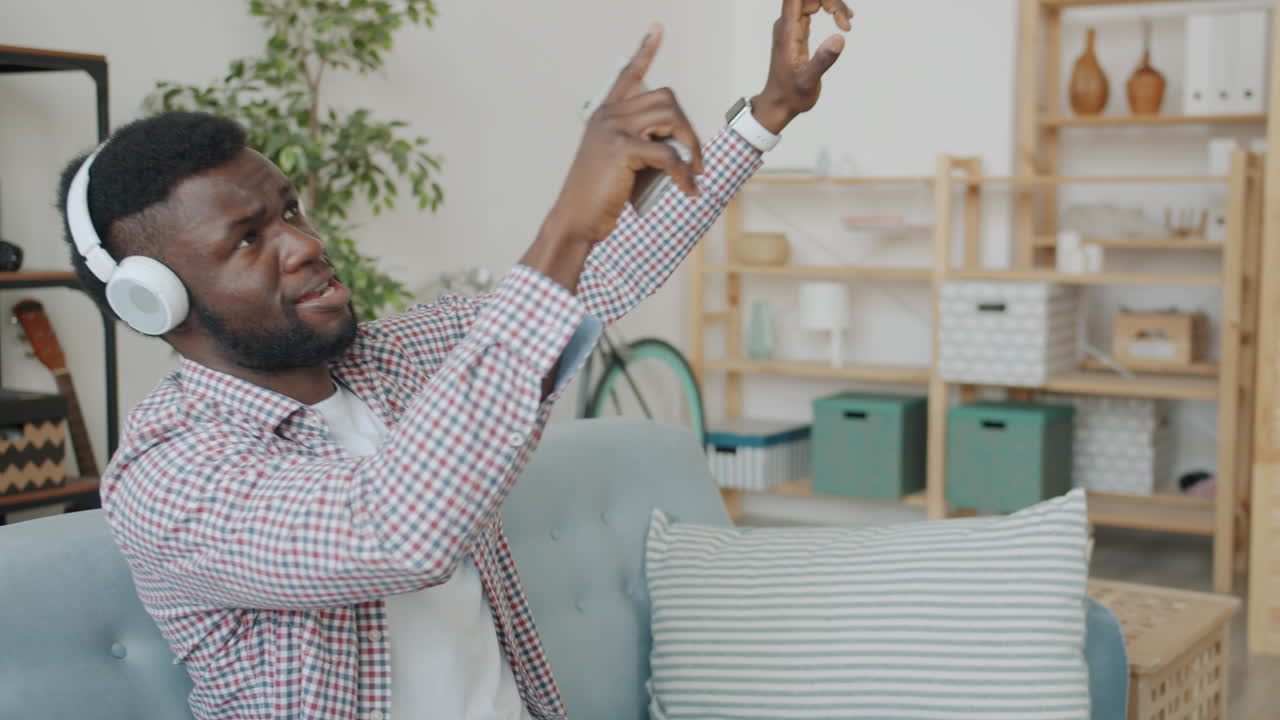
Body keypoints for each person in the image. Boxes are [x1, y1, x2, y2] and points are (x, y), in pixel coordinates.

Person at [57, 1, 852, 717]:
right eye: (247, 240)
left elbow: (595, 284)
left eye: (289, 210)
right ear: (154, 301)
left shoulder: (390, 359)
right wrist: (565, 224)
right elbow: (395, 532)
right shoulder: (169, 476)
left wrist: (766, 113)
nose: (303, 245)